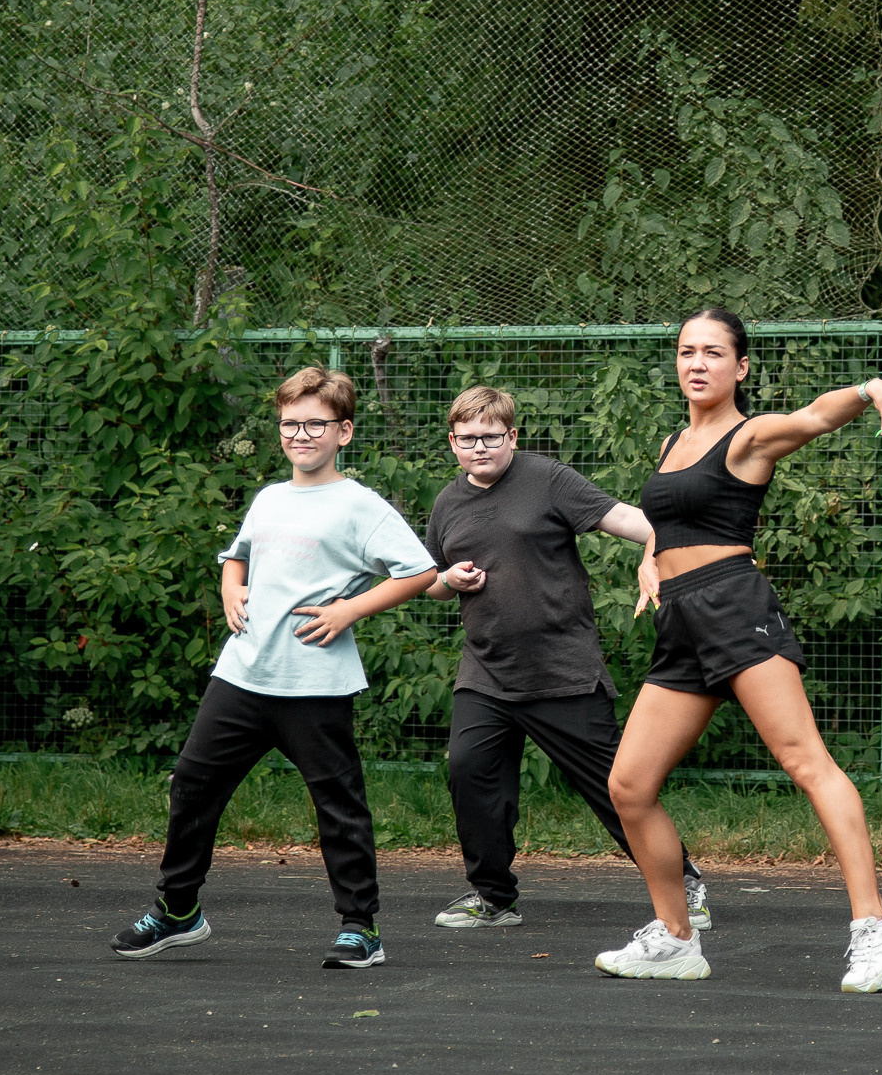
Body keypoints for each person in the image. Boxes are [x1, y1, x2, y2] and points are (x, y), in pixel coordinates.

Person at [592, 306, 882, 990]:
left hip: (735, 609)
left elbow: (814, 416)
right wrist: (651, 561)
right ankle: (674, 937)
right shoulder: (671, 443)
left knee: (805, 761)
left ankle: (876, 923)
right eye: (688, 350)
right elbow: (671, 520)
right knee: (628, 786)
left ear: (740, 367)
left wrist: (869, 390)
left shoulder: (749, 437)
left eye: (714, 353)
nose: (697, 363)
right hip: (681, 623)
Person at [110, 366, 440, 969]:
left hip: (314, 683)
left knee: (338, 804)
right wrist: (230, 591)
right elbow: (235, 560)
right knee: (191, 788)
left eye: (315, 424)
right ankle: (178, 911)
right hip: (240, 676)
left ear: (343, 432)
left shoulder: (360, 506)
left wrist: (349, 610)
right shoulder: (268, 498)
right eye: (290, 424)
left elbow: (419, 571)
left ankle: (360, 928)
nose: (300, 435)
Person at [420, 386, 709, 931]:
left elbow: (633, 521)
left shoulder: (546, 479)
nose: (478, 448)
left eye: (490, 437)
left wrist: (666, 548)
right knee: (468, 771)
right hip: (486, 673)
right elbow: (432, 581)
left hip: (562, 669)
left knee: (617, 787)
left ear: (512, 436)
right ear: (452, 442)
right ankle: (493, 897)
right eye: (467, 439)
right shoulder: (448, 502)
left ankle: (685, 883)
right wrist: (447, 579)